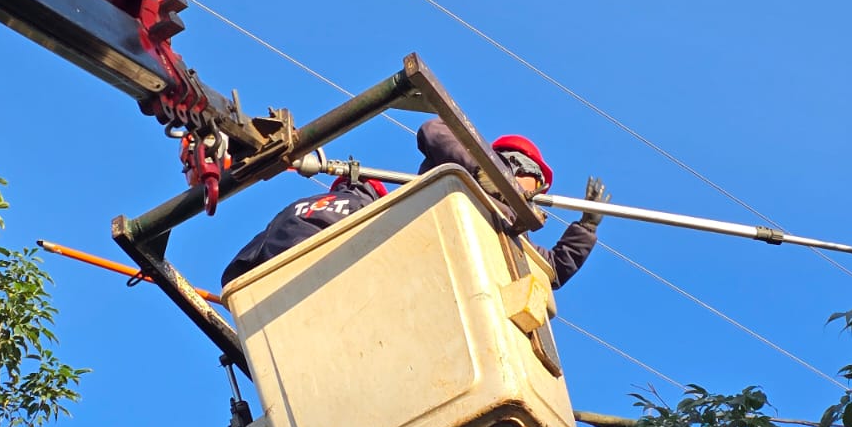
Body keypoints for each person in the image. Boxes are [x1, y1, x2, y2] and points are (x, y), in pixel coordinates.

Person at [415, 119, 606, 288]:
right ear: (513, 165)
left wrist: (586, 228)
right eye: (537, 179)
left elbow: (553, 270)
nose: (537, 191)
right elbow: (433, 129)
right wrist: (484, 172)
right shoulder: (462, 182)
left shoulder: (514, 234)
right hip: (428, 241)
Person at [221, 174, 390, 287]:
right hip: (335, 278)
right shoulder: (370, 210)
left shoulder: (293, 208)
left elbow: (237, 268)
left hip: (282, 281)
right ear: (376, 196)